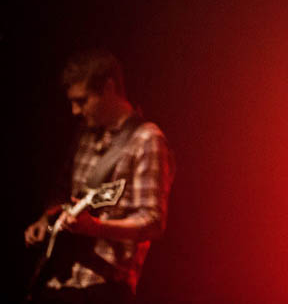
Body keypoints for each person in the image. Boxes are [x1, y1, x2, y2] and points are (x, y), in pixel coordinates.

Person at [24, 49, 175, 303]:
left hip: (102, 287)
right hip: (56, 279)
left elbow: (153, 222)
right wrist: (46, 219)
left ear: (108, 88)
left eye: (82, 101)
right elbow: (63, 191)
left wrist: (96, 227)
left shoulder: (146, 140)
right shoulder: (85, 134)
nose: (74, 111)